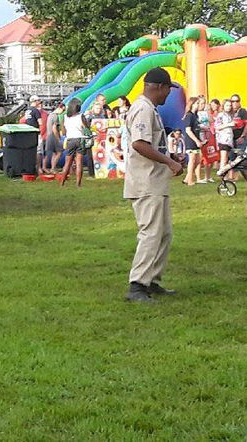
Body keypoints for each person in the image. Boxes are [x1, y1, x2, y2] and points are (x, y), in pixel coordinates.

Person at [124, 67, 183, 302]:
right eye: (168, 89)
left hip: (156, 182)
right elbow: (139, 144)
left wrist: (169, 156)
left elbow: (152, 144)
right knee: (150, 233)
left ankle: (152, 280)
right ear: (159, 87)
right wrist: (169, 162)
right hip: (145, 182)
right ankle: (138, 285)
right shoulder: (143, 109)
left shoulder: (151, 109)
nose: (169, 94)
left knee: (164, 233)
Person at [60, 98, 90, 187]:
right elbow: (86, 128)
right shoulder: (81, 116)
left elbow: (63, 132)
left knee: (67, 162)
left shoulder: (64, 117)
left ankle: (62, 183)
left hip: (70, 140)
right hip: (80, 139)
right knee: (79, 162)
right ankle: (78, 184)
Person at [182, 97, 206, 185]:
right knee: (192, 160)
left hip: (196, 139)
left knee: (198, 160)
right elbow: (188, 130)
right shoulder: (189, 115)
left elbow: (196, 127)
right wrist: (196, 141)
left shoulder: (195, 115)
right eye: (197, 103)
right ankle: (190, 180)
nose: (198, 105)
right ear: (192, 104)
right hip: (191, 140)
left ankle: (187, 178)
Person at [215, 99, 235, 178]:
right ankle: (222, 176)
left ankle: (224, 176)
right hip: (223, 139)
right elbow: (217, 126)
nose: (229, 107)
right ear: (223, 106)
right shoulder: (221, 115)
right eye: (227, 105)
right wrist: (229, 124)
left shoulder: (229, 115)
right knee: (223, 158)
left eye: (230, 105)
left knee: (226, 158)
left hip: (229, 139)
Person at [197, 95, 214, 183]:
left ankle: (207, 176)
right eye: (201, 103)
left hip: (208, 134)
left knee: (209, 155)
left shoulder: (205, 112)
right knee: (200, 156)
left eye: (204, 103)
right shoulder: (196, 113)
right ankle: (198, 177)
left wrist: (208, 111)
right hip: (201, 134)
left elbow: (211, 121)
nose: (202, 105)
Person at [24, 95, 44, 174]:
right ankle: (38, 168)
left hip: (28, 133)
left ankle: (30, 167)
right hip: (35, 133)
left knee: (30, 150)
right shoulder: (36, 111)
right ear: (35, 101)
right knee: (39, 151)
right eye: (38, 101)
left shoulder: (27, 110)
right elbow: (40, 122)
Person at [45, 103, 66, 174]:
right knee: (60, 152)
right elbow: (54, 128)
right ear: (60, 108)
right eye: (63, 110)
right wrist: (58, 138)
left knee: (55, 153)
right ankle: (53, 168)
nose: (62, 112)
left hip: (49, 135)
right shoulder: (55, 116)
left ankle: (53, 168)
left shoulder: (50, 115)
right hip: (53, 136)